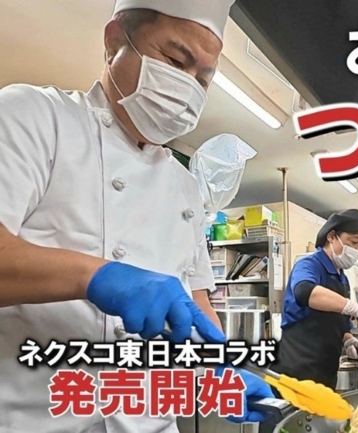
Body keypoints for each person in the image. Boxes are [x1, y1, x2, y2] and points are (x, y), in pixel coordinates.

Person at [0, 1, 274, 431]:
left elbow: (196, 300)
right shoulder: (34, 116)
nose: (189, 86)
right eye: (176, 60)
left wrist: (217, 370)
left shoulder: (184, 185)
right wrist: (96, 276)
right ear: (114, 42)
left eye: (203, 78)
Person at [272, 209, 358, 391]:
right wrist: (357, 309)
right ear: (331, 236)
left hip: (326, 371)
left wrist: (348, 339)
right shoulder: (309, 264)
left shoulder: (342, 278)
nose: (357, 250)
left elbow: (337, 320)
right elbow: (305, 292)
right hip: (297, 370)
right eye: (354, 242)